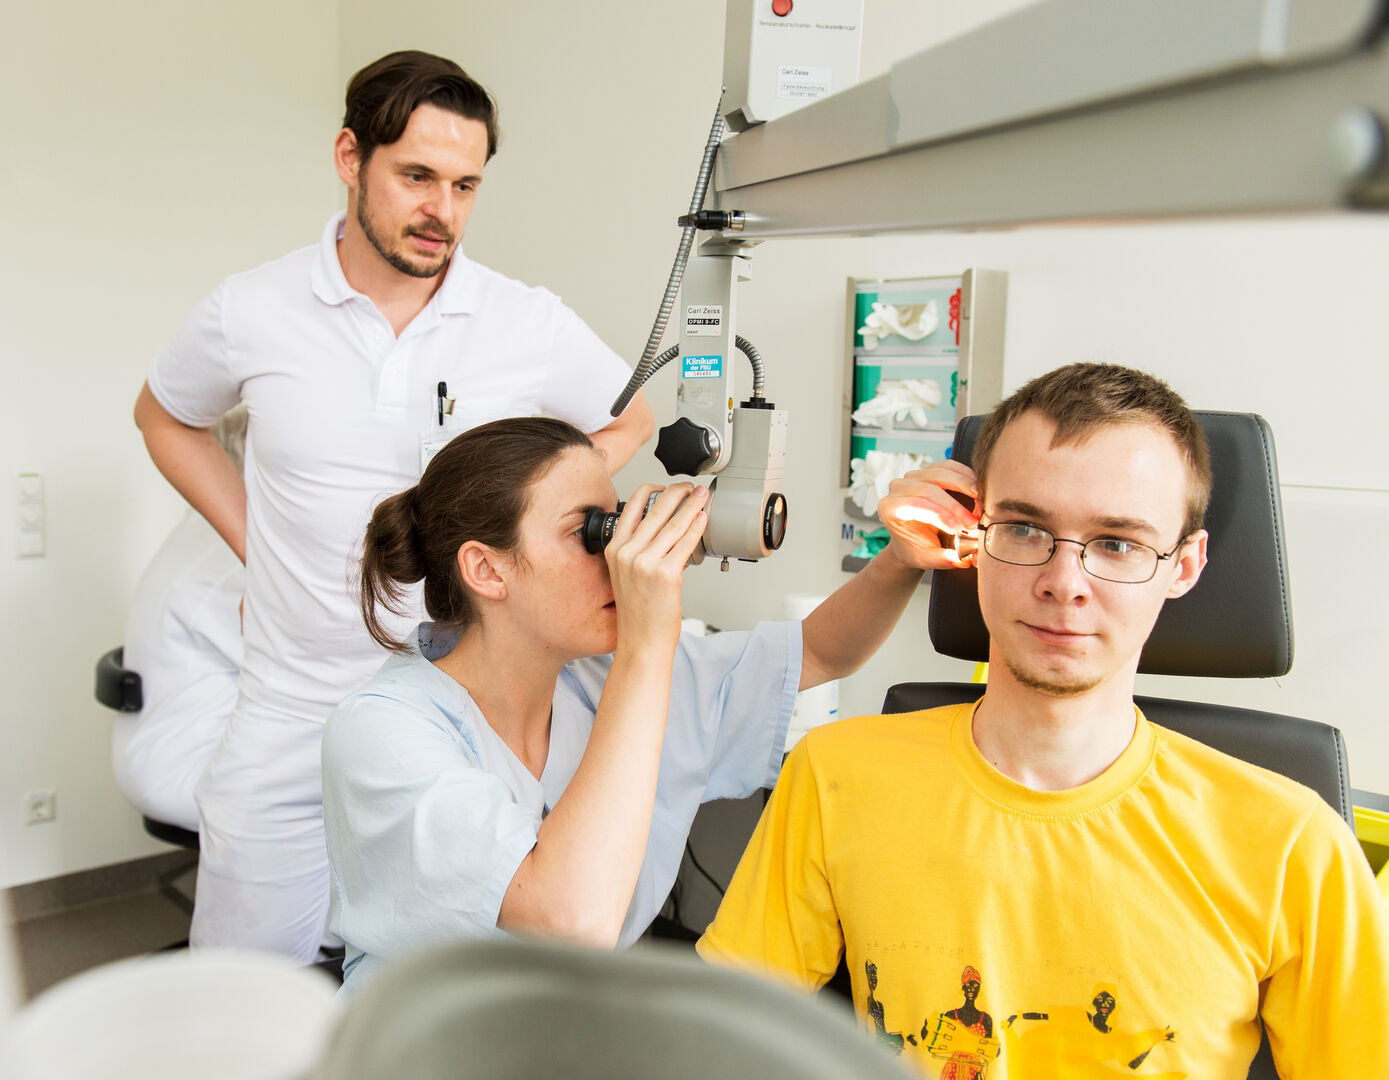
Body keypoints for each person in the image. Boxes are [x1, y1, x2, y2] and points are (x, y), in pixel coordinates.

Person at [698, 363, 1389, 1078]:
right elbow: (715, 1046)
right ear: (973, 535)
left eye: (1117, 544)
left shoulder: (1291, 846)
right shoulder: (836, 775)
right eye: (1026, 529)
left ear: (1183, 566)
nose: (1063, 581)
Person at [132, 50, 655, 961]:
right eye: (416, 176)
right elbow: (165, 417)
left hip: (453, 716)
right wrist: (261, 548)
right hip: (291, 708)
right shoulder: (251, 308)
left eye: (464, 185)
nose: (441, 211)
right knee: (244, 998)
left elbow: (631, 420)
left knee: (440, 994)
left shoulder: (522, 320)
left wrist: (534, 509)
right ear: (349, 157)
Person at [319, 416, 978, 990]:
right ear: (486, 570)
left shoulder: (603, 677)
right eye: (590, 533)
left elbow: (820, 653)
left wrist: (899, 557)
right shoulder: (382, 729)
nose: (619, 555)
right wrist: (645, 643)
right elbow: (569, 916)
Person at [114, 408, 247, 833]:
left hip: (157, 752)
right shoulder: (230, 555)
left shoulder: (198, 535)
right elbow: (294, 667)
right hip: (185, 769)